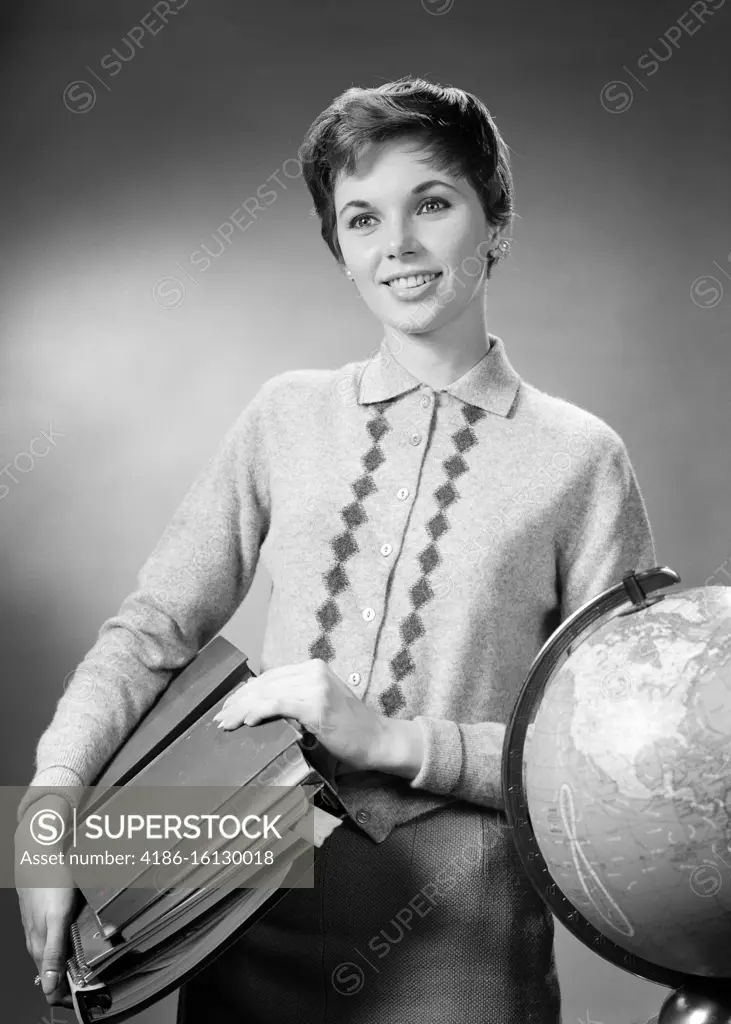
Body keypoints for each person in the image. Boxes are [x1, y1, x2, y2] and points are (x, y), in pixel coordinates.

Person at [15, 76, 657, 1023]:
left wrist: (395, 742)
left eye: (430, 204)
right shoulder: (284, 414)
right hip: (240, 906)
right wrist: (49, 806)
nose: (396, 244)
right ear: (342, 255)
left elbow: (600, 766)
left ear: (497, 226)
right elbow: (150, 627)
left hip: (462, 941)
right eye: (361, 220)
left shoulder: (582, 459)